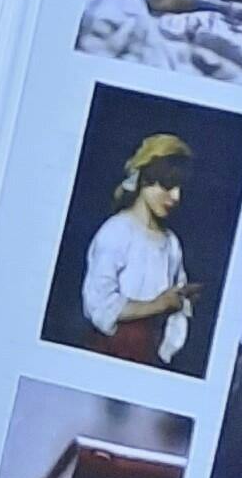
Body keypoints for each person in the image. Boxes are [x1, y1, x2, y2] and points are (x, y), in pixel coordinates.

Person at [73, 136, 201, 366]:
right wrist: (158, 305)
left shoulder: (171, 243)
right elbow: (98, 304)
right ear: (145, 179)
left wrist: (181, 300)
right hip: (111, 349)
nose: (176, 197)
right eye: (168, 184)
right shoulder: (117, 231)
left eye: (180, 188)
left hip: (149, 352)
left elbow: (176, 299)